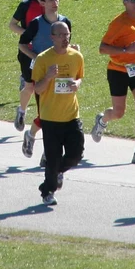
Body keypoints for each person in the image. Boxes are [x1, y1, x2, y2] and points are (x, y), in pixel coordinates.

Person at [91, 0, 135, 163]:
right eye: (133, 0)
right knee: (119, 113)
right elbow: (102, 48)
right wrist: (125, 50)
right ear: (125, 3)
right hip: (117, 69)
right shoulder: (117, 23)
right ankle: (103, 119)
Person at [33, 20, 84, 206]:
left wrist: (77, 84)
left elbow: (79, 78)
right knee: (52, 159)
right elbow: (37, 89)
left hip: (71, 115)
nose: (65, 38)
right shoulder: (43, 59)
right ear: (52, 37)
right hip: (50, 118)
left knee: (76, 154)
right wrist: (47, 77)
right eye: (61, 35)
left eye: (67, 34)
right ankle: (48, 191)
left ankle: (57, 173)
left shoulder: (76, 56)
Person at [19, 0, 71, 159]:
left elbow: (66, 43)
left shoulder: (65, 22)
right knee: (47, 114)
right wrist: (37, 57)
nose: (54, 3)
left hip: (61, 72)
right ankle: (47, 153)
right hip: (42, 74)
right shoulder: (36, 23)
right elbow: (22, 44)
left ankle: (31, 135)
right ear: (42, 3)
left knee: (58, 113)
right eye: (50, 0)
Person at [9, 0, 51, 132]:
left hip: (46, 51)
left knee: (45, 86)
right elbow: (12, 25)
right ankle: (21, 111)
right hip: (28, 51)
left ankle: (45, 119)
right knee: (30, 87)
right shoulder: (26, 5)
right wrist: (28, 33)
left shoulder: (51, 4)